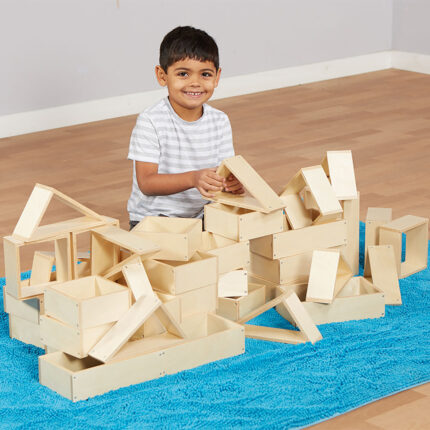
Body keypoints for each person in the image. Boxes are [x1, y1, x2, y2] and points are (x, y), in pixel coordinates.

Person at [127, 26, 243, 230]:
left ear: (217, 77)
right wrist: (193, 178)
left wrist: (232, 185)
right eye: (183, 74)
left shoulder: (220, 121)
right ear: (162, 75)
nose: (195, 83)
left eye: (205, 74)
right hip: (154, 219)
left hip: (201, 217)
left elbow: (223, 174)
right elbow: (146, 183)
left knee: (242, 233)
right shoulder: (150, 120)